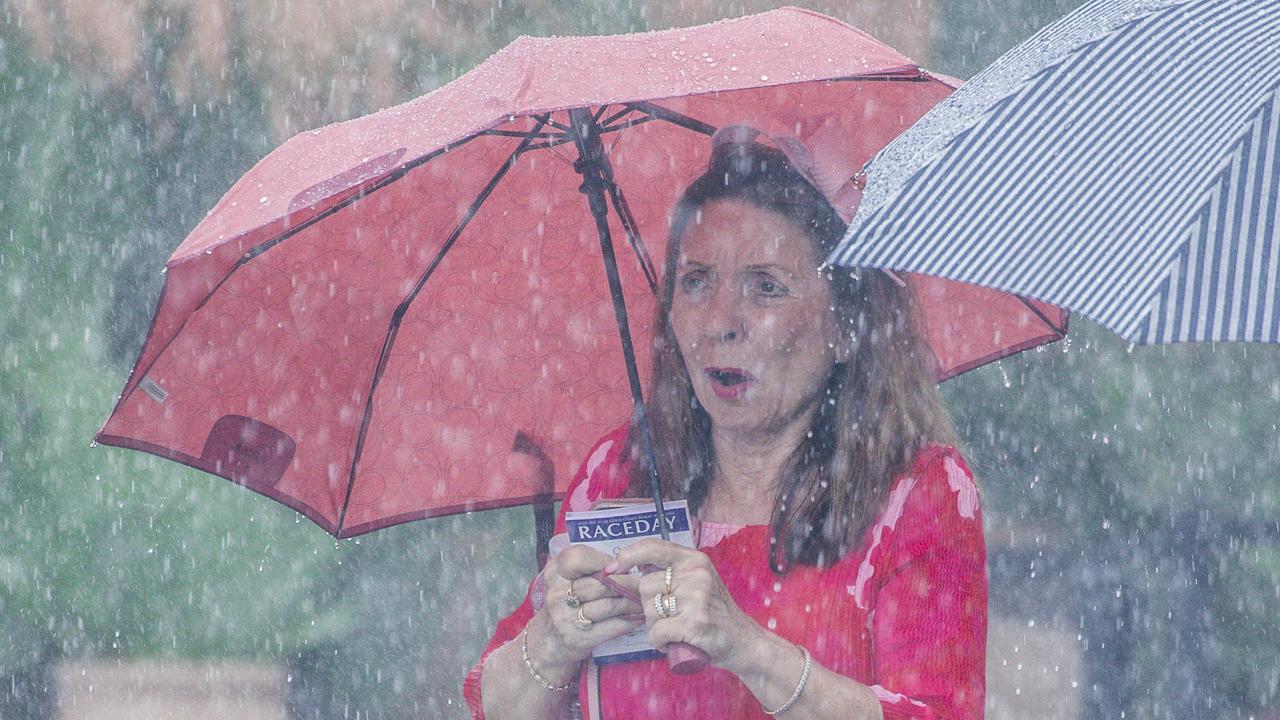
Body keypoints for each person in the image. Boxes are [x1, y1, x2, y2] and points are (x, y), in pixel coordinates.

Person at [464, 126, 987, 720]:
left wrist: (746, 648)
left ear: (845, 325)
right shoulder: (621, 470)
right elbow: (496, 702)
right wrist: (554, 640)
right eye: (696, 282)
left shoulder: (918, 490)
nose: (720, 322)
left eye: (765, 287)